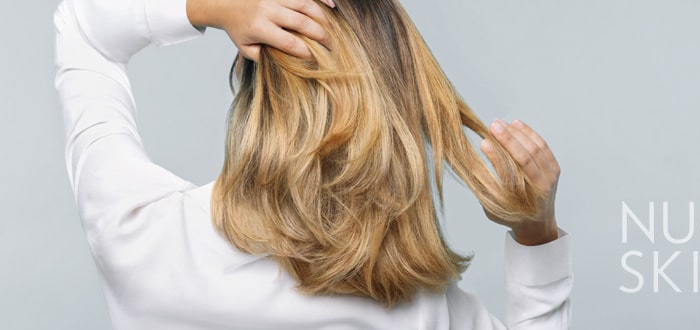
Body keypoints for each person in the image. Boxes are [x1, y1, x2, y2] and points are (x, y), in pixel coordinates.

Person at [54, 0, 573, 328]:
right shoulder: (423, 311)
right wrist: (536, 234)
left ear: (249, 75)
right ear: (400, 106)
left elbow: (82, 28)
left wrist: (210, 7)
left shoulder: (142, 236)